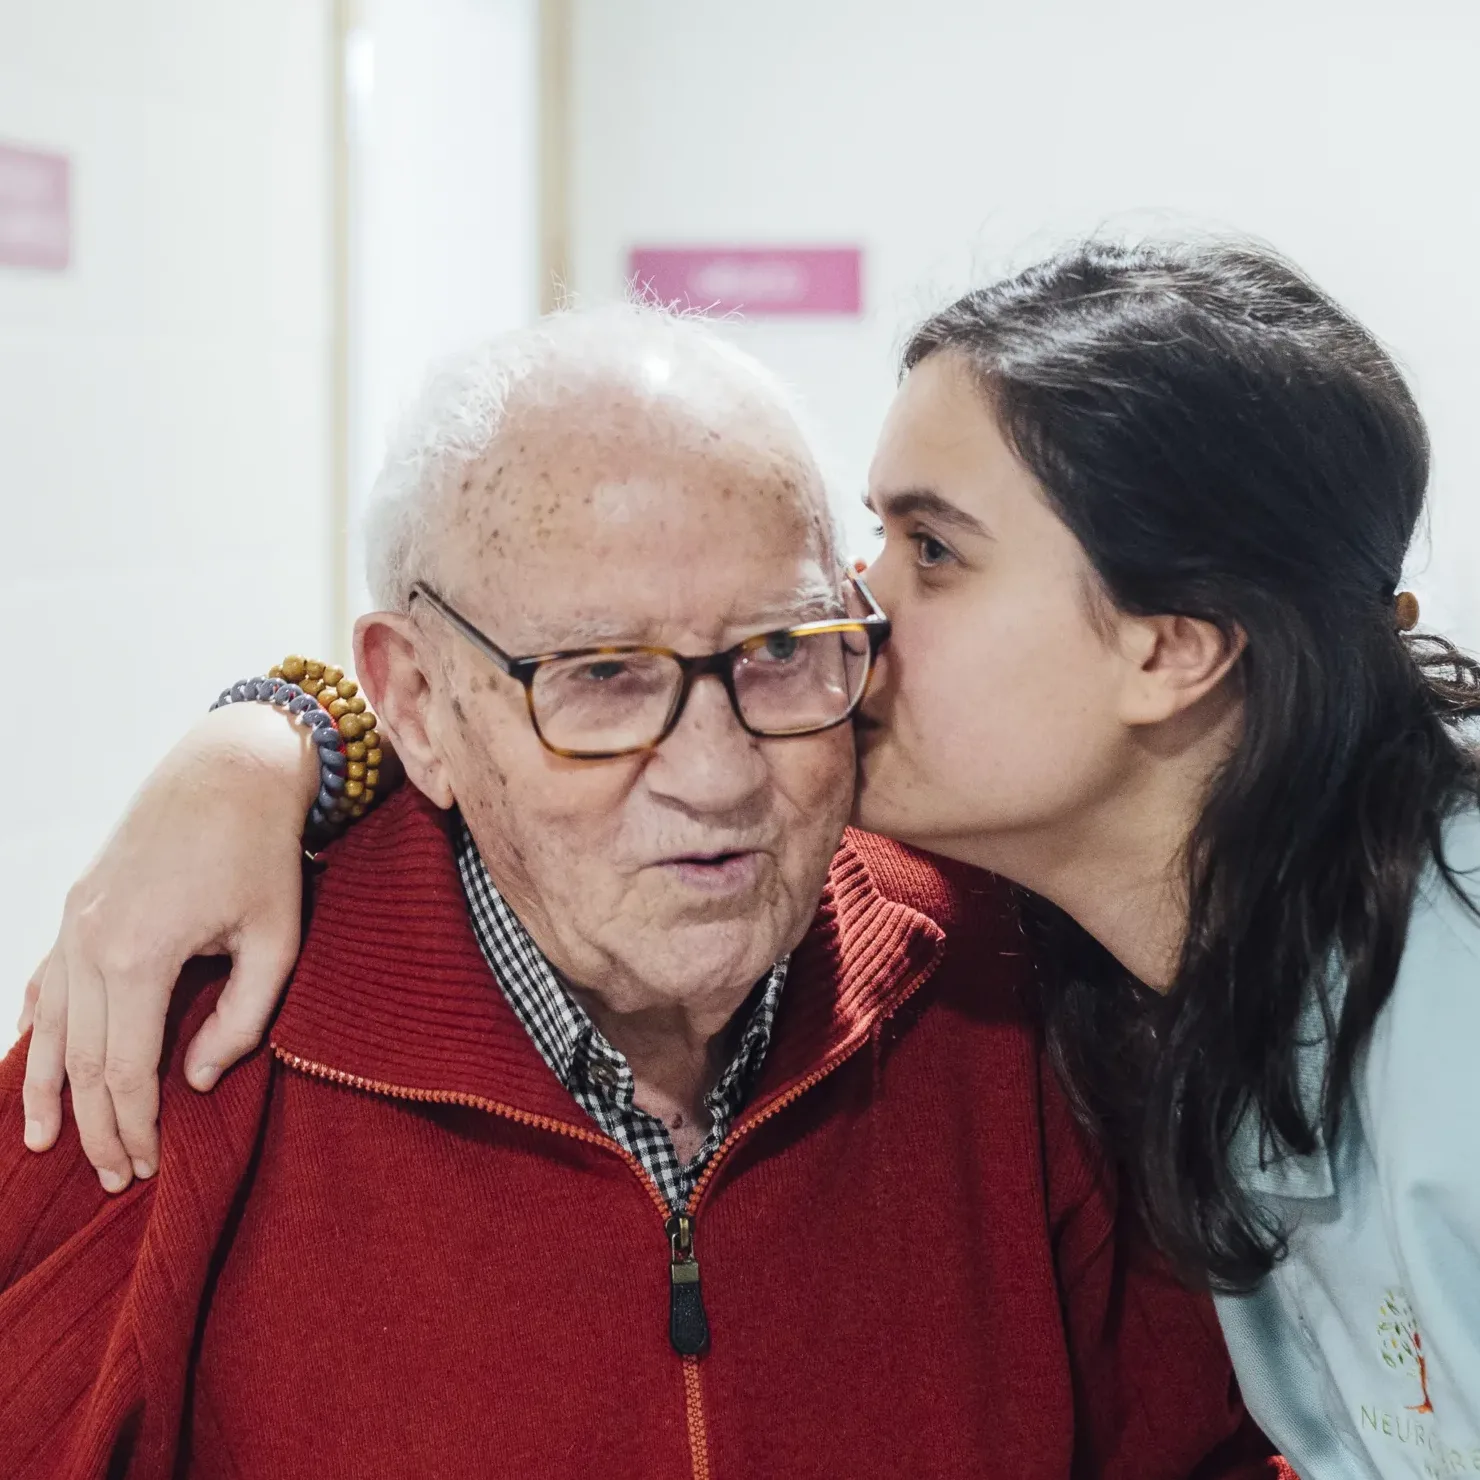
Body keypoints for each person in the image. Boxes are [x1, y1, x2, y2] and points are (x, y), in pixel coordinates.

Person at [24, 234, 1480, 1479]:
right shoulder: (174, 1053)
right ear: (418, 701)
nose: (717, 775)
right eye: (598, 680)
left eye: (784, 650)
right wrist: (272, 732)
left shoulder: (1019, 982)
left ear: (1175, 648)